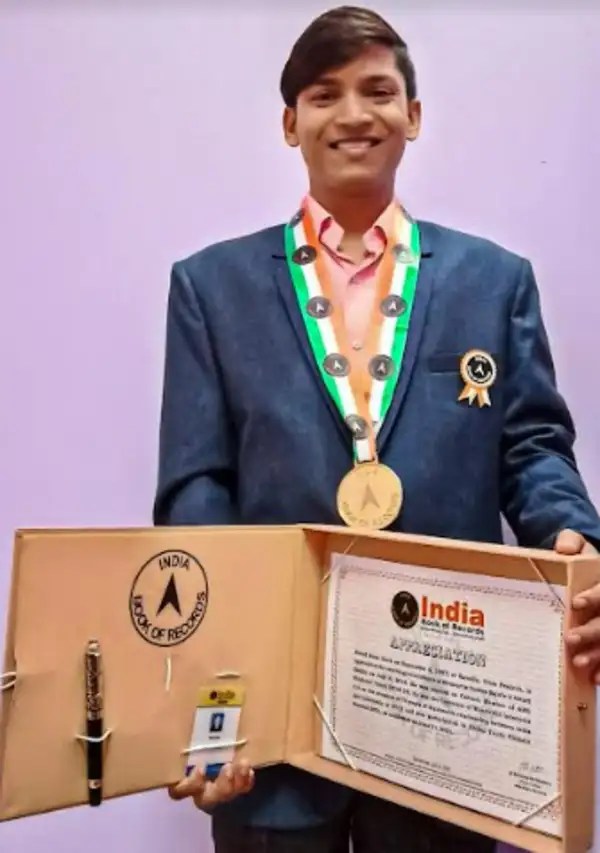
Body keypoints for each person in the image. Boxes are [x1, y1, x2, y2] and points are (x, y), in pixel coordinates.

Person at [155, 6, 600, 852]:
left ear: (414, 115)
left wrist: (575, 540)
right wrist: (207, 699)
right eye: (324, 94)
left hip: (447, 720)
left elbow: (533, 448)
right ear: (290, 123)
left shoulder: (494, 281)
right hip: (272, 726)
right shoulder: (210, 287)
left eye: (378, 90)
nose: (353, 113)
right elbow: (195, 494)